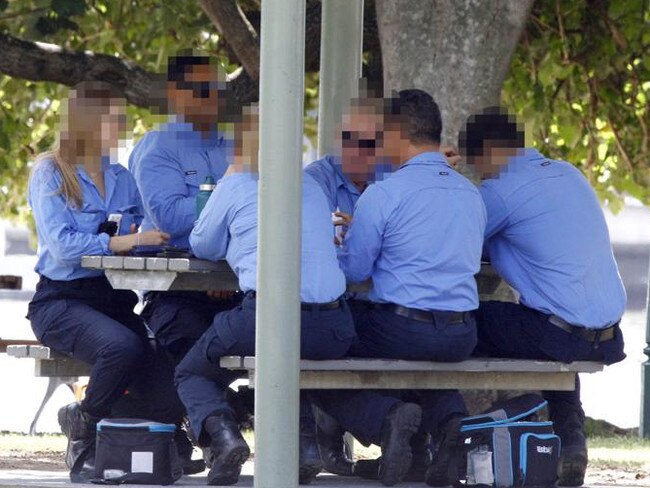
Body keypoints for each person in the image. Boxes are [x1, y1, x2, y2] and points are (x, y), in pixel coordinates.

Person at [174, 106, 357, 485]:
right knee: (294, 360)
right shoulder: (311, 185)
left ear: (239, 143)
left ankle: (225, 439)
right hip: (335, 325)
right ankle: (305, 448)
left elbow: (202, 244)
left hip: (271, 316)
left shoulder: (237, 182)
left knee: (191, 370)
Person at [314, 89, 486, 487]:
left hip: (403, 329)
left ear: (395, 134)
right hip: (462, 334)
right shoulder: (470, 193)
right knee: (423, 351)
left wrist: (344, 238)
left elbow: (355, 270)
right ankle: (450, 421)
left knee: (318, 340)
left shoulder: (386, 192)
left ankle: (386, 418)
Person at [460, 107, 626, 487]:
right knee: (543, 320)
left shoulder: (499, 189)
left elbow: (452, 239)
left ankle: (447, 428)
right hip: (607, 336)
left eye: (478, 167)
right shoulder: (568, 173)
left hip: (560, 333)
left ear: (488, 152)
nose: (480, 177)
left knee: (460, 323)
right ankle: (571, 439)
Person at [27, 81, 183, 483]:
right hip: (60, 301)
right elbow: (62, 247)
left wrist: (155, 241)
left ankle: (138, 438)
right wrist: (122, 241)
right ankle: (85, 425)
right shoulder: (51, 172)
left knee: (166, 375)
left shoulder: (122, 176)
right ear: (87, 122)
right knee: (122, 347)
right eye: (115, 119)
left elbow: (140, 235)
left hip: (111, 300)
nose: (122, 127)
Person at [128, 54, 240, 366]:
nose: (216, 97)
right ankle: (215, 413)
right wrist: (230, 197)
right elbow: (171, 218)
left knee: (296, 333)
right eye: (205, 90)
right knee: (192, 348)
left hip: (236, 280)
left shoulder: (237, 145)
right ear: (176, 95)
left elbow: (256, 215)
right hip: (176, 292)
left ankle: (242, 412)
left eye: (221, 89)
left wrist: (222, 264)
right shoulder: (158, 147)